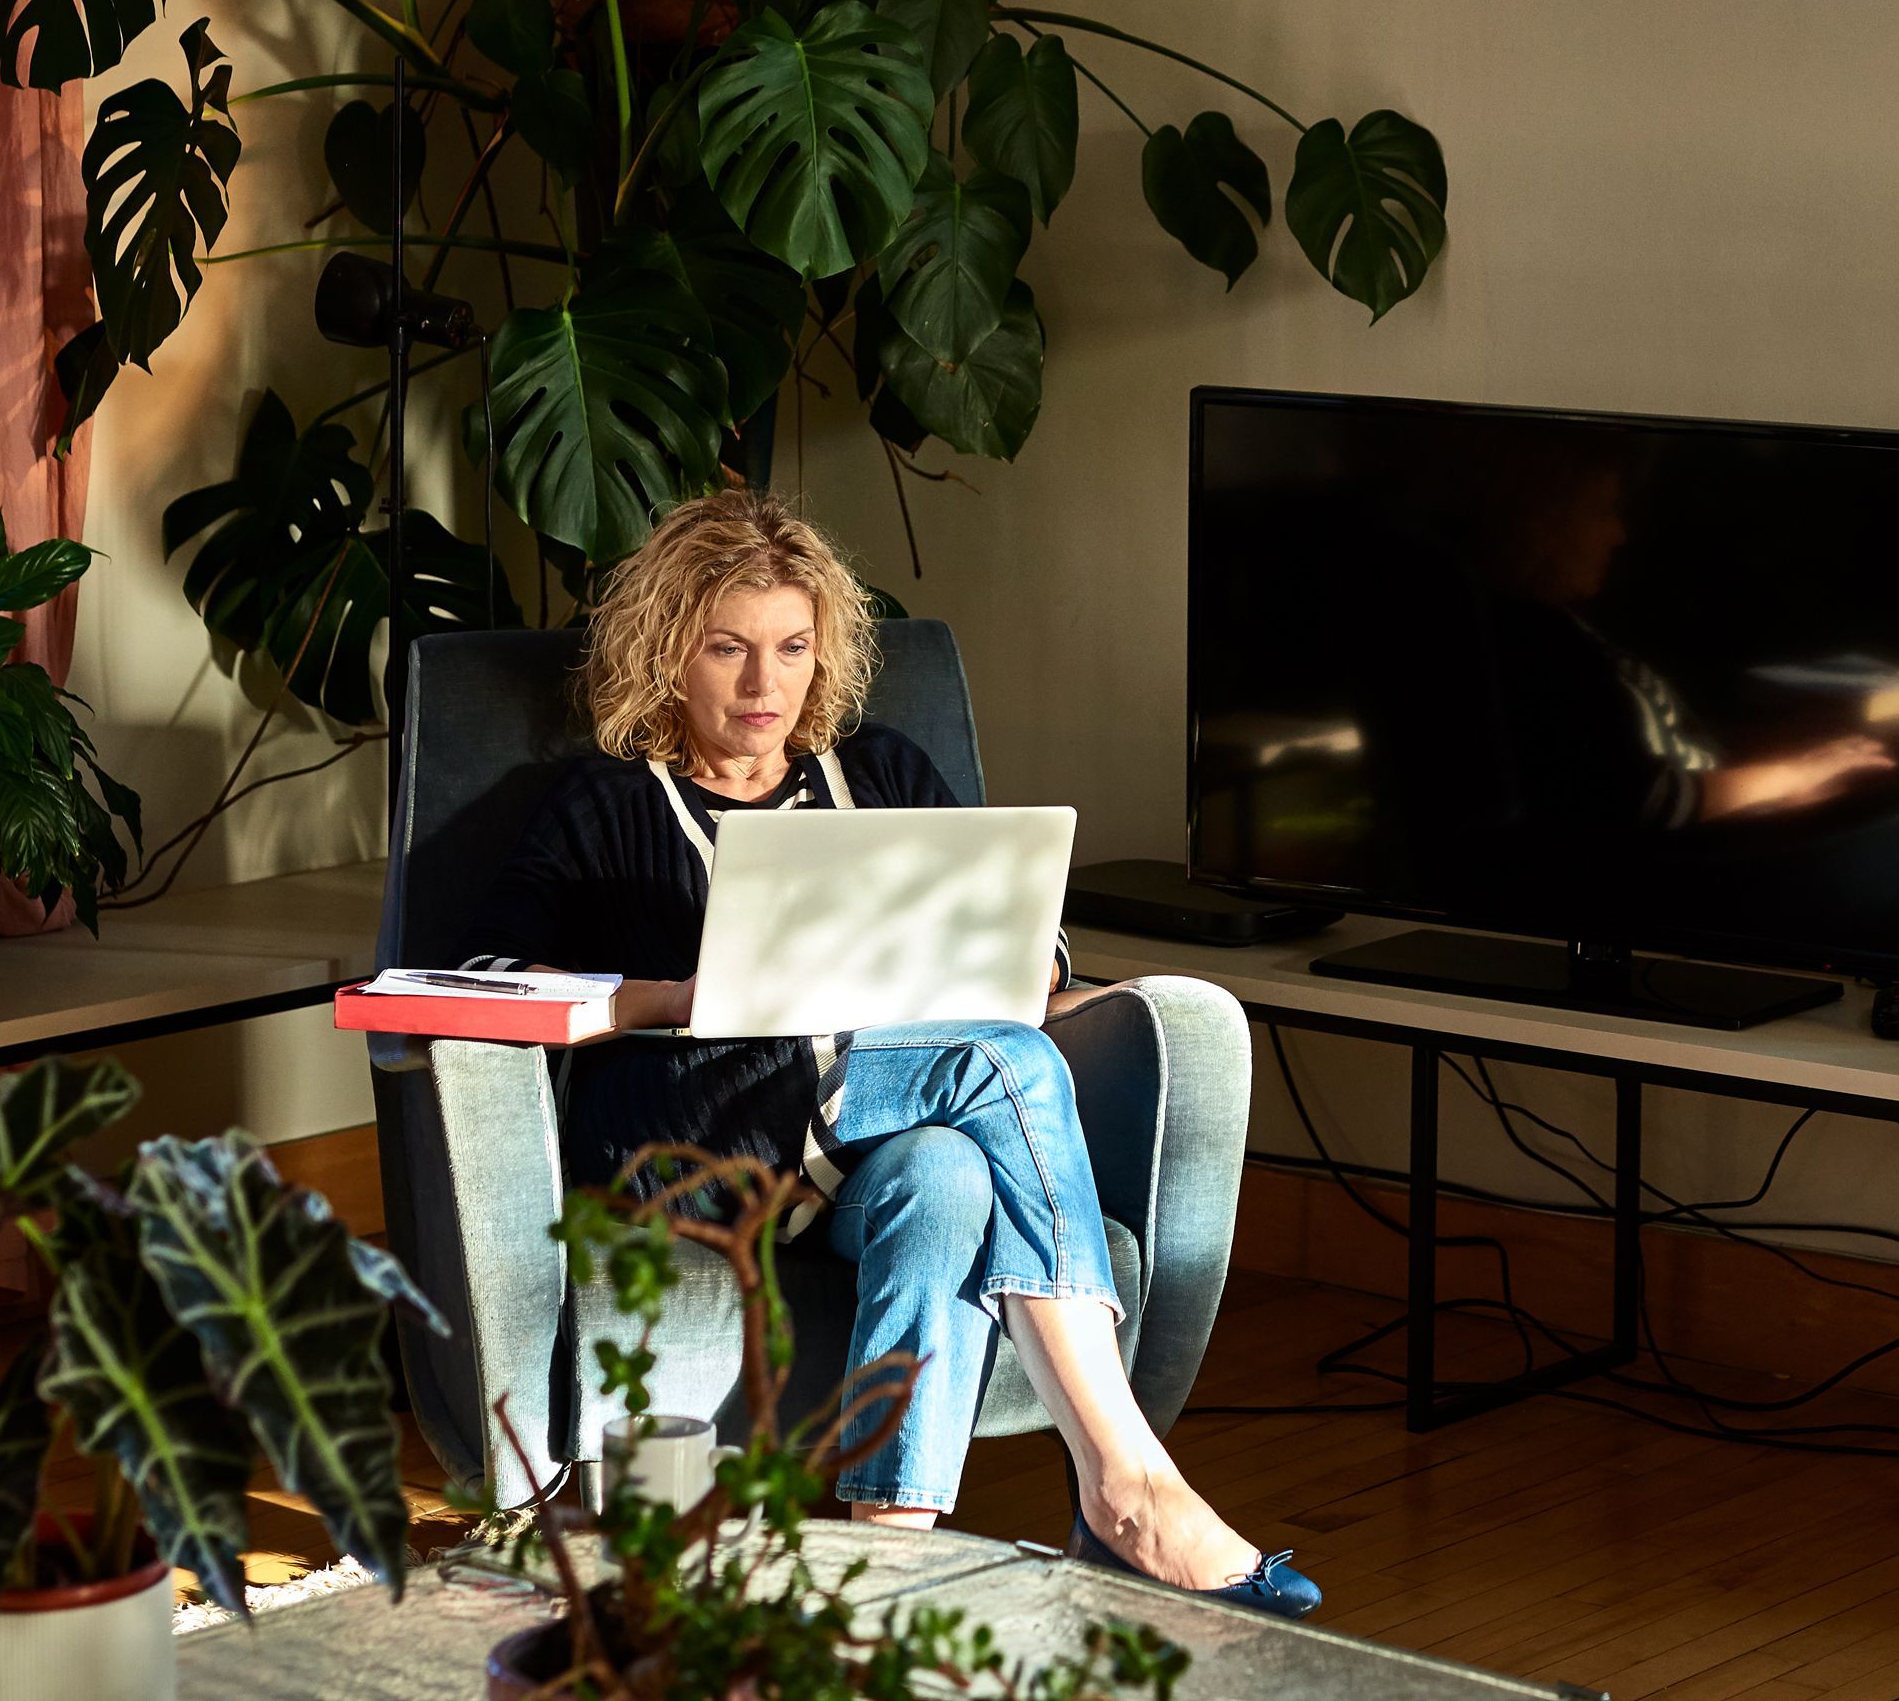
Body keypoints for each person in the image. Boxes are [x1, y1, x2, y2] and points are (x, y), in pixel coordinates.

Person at [460, 489, 1319, 1619]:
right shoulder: (601, 804)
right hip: (686, 1134)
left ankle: (890, 1552)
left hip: (867, 1143)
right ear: (670, 651)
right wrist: (669, 995)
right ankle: (1128, 1476)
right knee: (997, 1062)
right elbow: (482, 984)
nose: (765, 686)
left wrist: (1033, 975)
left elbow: (1026, 954)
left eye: (792, 649)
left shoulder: (887, 773)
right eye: (728, 649)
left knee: (953, 1173)